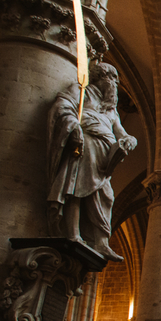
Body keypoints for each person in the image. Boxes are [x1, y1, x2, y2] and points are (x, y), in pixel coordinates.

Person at [47, 62, 137, 262]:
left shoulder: (111, 111)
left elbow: (121, 132)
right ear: (99, 77)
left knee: (107, 196)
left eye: (115, 80)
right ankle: (72, 234)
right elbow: (62, 106)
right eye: (111, 78)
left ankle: (101, 243)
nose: (114, 84)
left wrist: (130, 140)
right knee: (76, 189)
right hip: (84, 146)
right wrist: (74, 127)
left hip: (104, 158)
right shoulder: (81, 93)